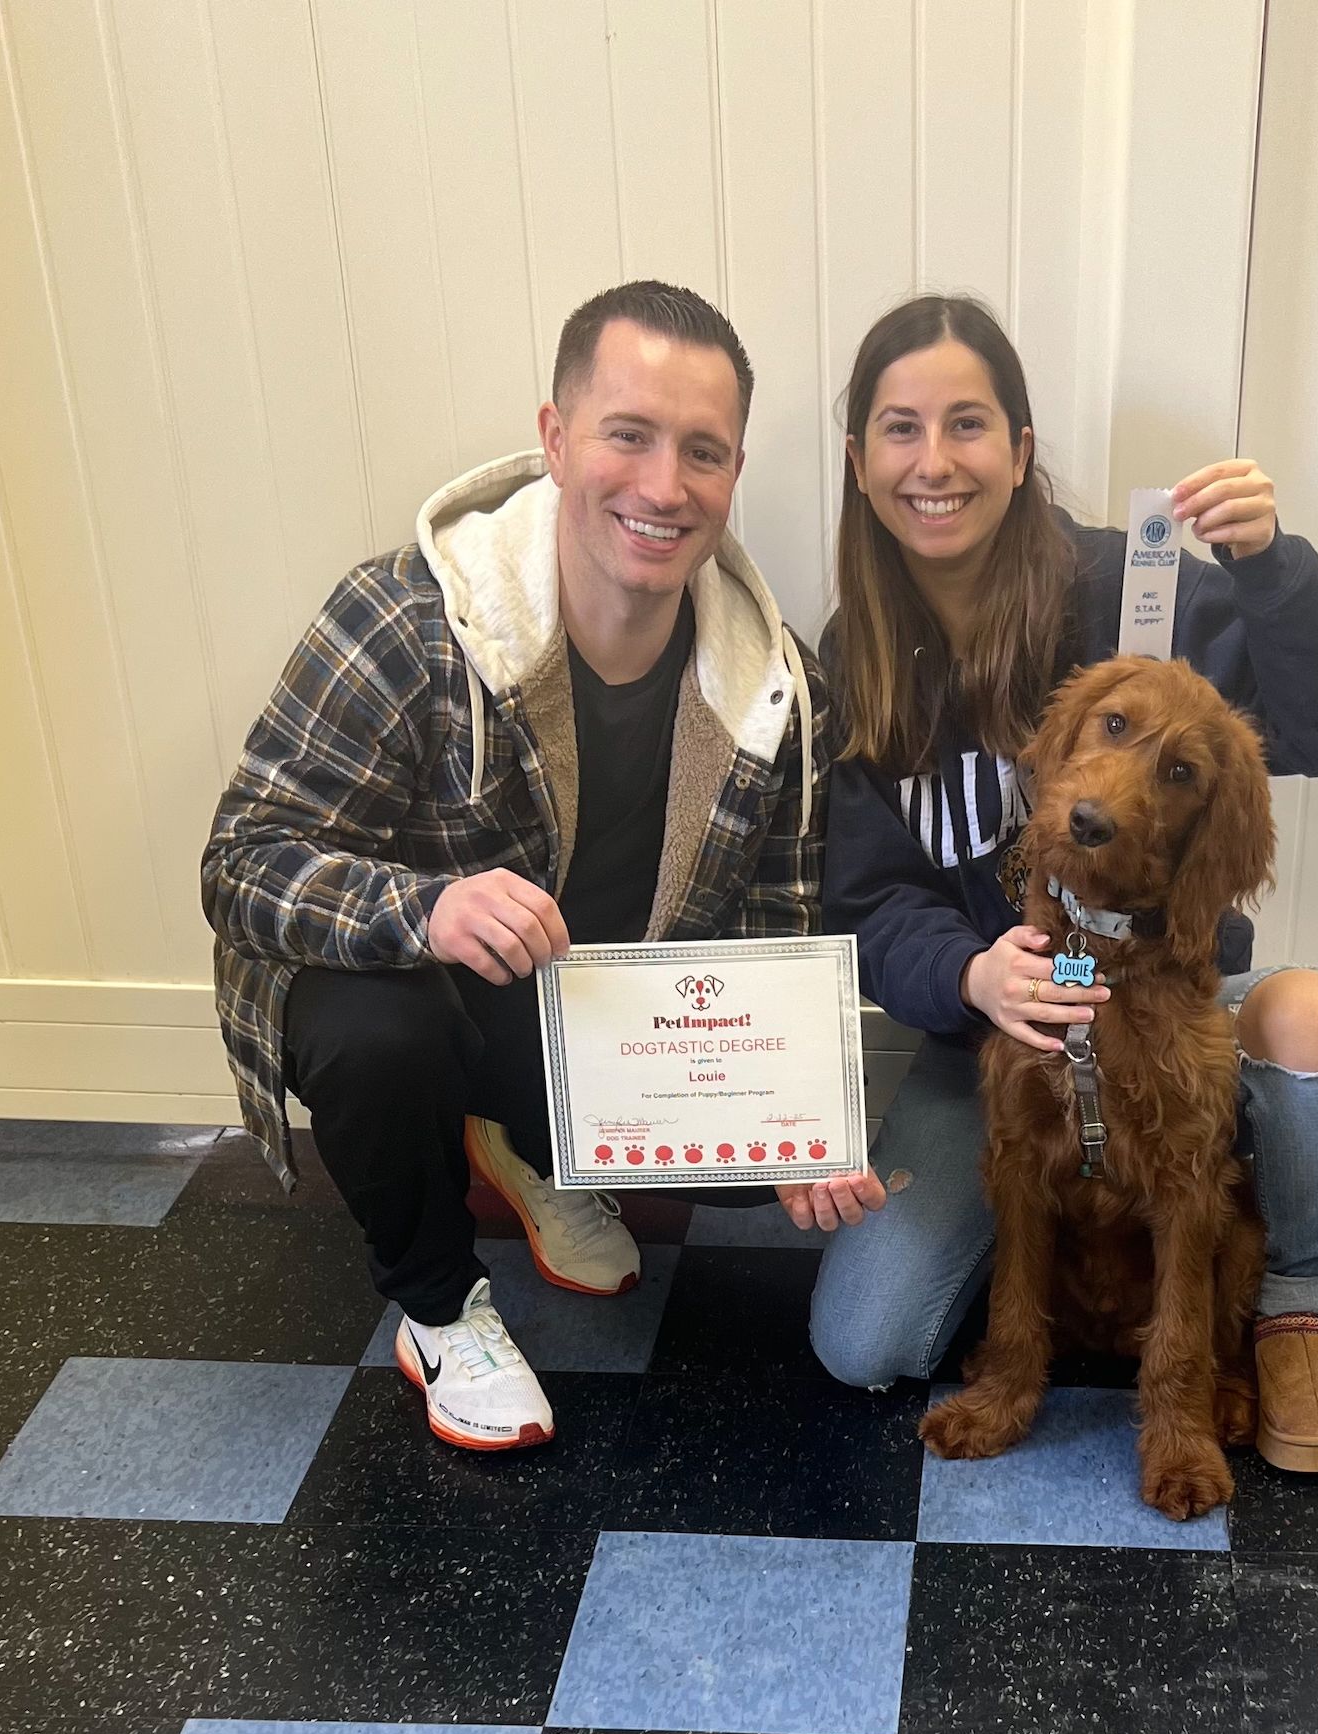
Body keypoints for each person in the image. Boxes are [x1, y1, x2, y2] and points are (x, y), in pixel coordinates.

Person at [203, 280, 883, 1454]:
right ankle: (435, 1307)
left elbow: (778, 929)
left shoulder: (777, 689)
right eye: (629, 434)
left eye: (704, 452)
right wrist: (423, 909)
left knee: (741, 1177)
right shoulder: (402, 617)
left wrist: (797, 1123)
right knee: (380, 1038)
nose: (665, 487)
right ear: (556, 438)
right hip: (403, 988)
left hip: (593, 1007)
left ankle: (527, 1143)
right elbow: (241, 861)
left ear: (733, 471)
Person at [812, 294, 1318, 1472]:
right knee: (863, 1336)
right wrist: (972, 975)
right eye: (900, 428)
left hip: (1166, 988)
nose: (935, 462)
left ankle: (1296, 1308)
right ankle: (1034, 1335)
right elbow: (867, 903)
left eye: (968, 425)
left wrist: (1270, 571)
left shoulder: (1138, 589)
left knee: (1311, 1019)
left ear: (1021, 453)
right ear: (861, 462)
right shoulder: (854, 655)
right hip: (998, 1014)